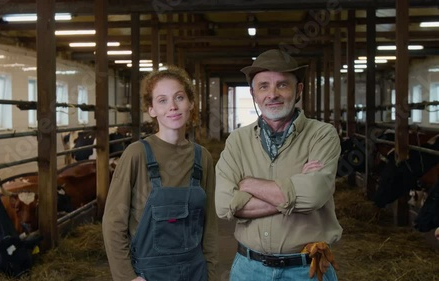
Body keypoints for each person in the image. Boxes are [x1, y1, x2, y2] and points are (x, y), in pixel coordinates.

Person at [215, 49, 343, 281]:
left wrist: (249, 185)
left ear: (298, 91)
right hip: (248, 269)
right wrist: (296, 191)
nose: (272, 94)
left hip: (305, 270)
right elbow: (224, 206)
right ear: (254, 94)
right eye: (263, 86)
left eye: (282, 85)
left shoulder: (322, 135)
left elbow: (314, 196)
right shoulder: (237, 140)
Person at [102, 66, 218, 281]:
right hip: (149, 274)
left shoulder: (203, 158)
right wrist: (127, 277)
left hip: (195, 271)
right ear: (152, 109)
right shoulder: (136, 154)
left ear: (191, 103)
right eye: (162, 100)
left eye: (179, 97)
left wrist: (211, 273)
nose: (172, 107)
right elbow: (113, 223)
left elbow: (209, 225)